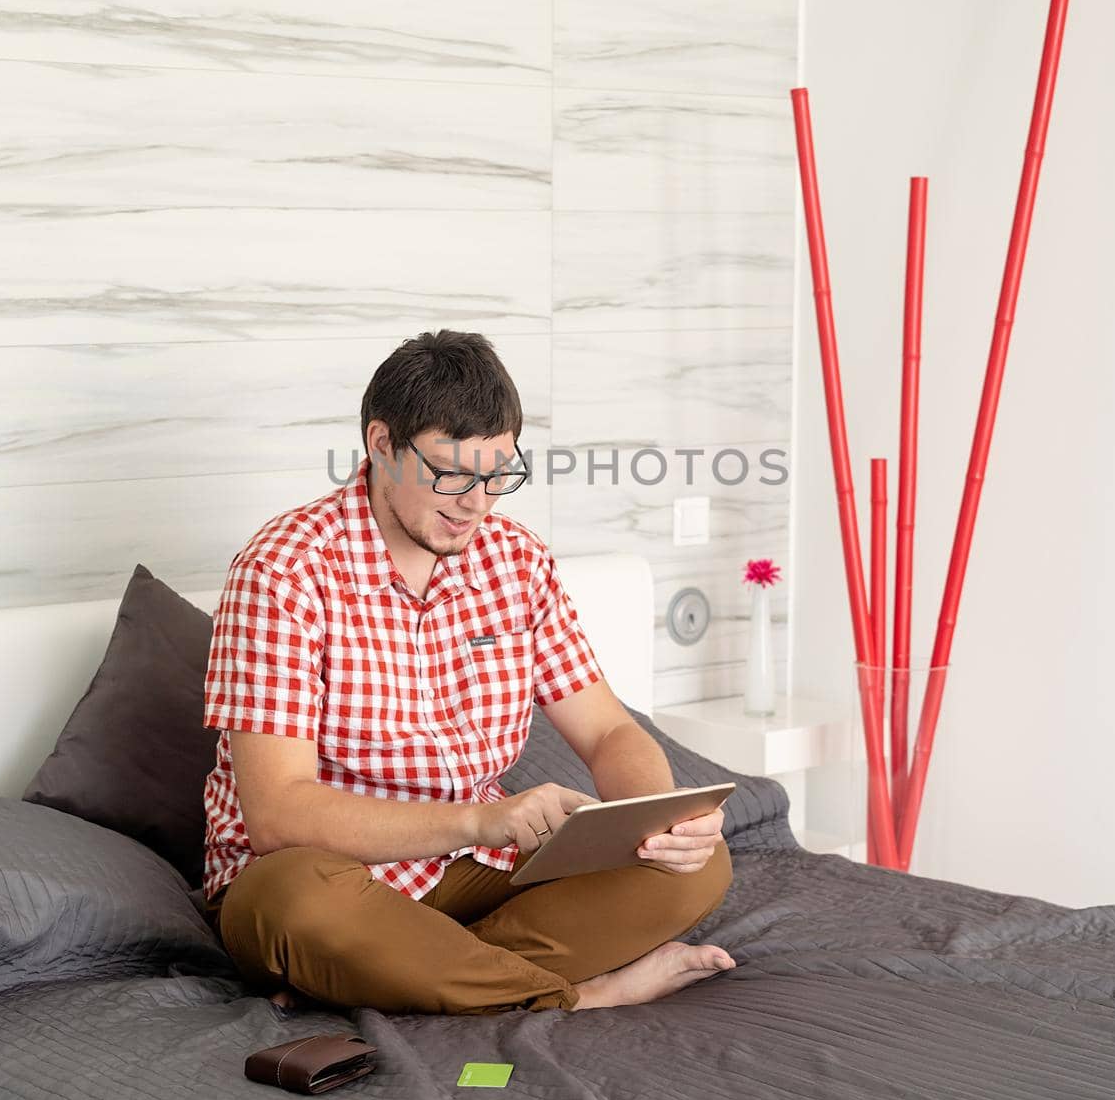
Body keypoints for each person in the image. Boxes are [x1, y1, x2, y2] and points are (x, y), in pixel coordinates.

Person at [199, 329, 734, 1016]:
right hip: (328, 874)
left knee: (696, 869)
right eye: (450, 474)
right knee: (295, 902)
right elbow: (279, 815)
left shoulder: (516, 561)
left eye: (496, 476)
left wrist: (654, 825)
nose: (474, 503)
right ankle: (574, 995)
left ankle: (419, 972)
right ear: (381, 444)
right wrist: (480, 821)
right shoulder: (281, 573)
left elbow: (607, 733)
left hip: (477, 879)